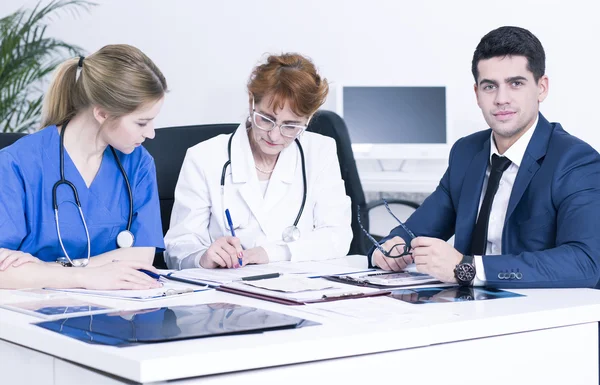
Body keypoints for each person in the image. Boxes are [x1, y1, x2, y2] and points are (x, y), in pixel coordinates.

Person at [371, 26, 600, 288]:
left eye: (516, 83)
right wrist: (387, 250)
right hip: (470, 310)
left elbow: (585, 262)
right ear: (477, 94)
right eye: (489, 86)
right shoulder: (466, 152)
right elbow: (415, 231)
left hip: (541, 313)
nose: (501, 99)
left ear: (541, 88)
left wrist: (467, 269)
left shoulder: (575, 160)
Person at [0, 44, 168, 290]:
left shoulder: (138, 163)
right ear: (102, 113)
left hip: (116, 314)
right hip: (33, 315)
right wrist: (84, 276)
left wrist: (43, 269)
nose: (151, 133)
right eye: (142, 122)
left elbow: (141, 258)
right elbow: (4, 272)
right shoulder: (16, 163)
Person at [164, 53, 352, 269]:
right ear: (251, 101)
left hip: (297, 290)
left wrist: (270, 253)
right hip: (228, 293)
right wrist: (202, 257)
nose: (274, 135)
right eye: (266, 119)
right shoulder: (204, 158)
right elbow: (177, 249)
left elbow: (338, 236)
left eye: (291, 126)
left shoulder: (320, 151)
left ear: (308, 119)